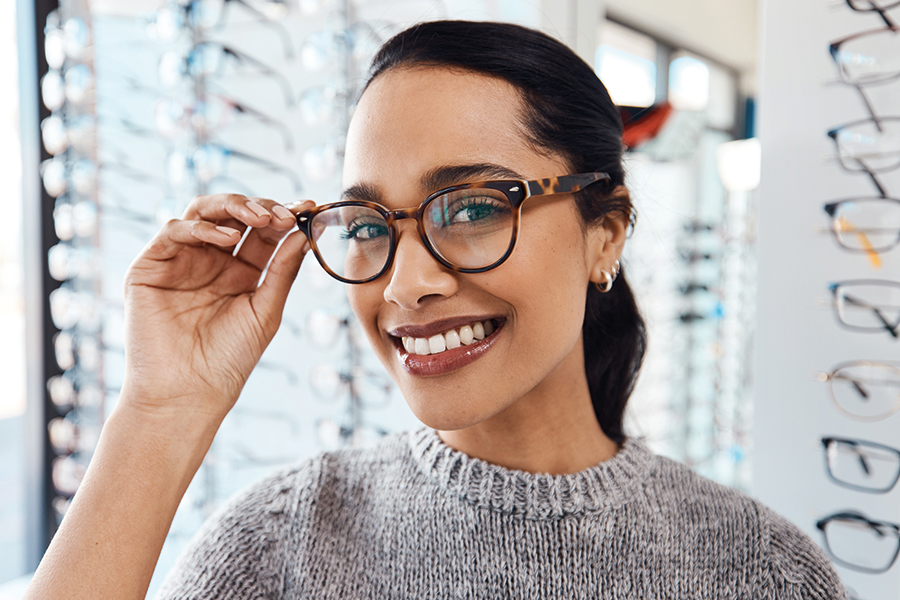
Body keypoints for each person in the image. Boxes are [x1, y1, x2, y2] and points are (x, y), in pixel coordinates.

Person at [25, 20, 846, 600]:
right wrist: (160, 410)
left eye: (474, 207)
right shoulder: (279, 545)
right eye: (370, 224)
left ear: (606, 232)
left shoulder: (757, 571)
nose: (404, 284)